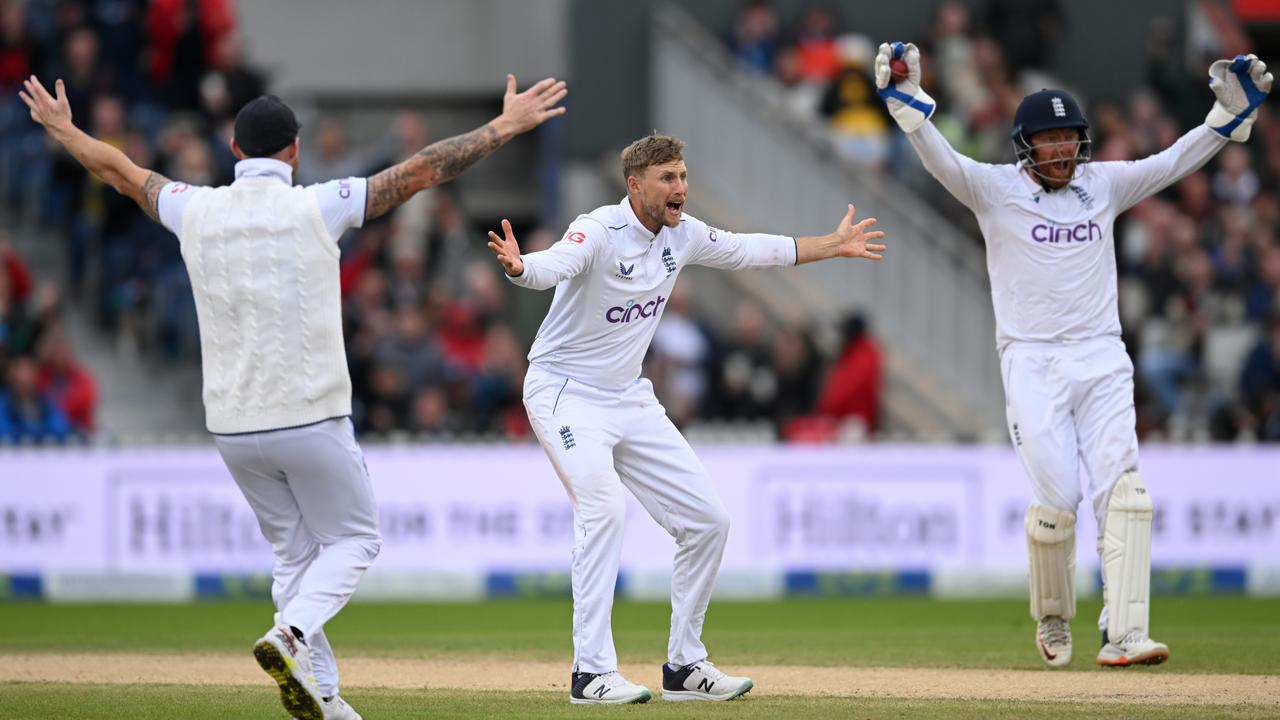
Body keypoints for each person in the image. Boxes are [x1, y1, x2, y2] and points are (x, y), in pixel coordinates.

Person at [20, 73, 566, 719]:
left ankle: (325, 699)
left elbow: (119, 170)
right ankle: (291, 633)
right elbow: (420, 171)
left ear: (232, 148)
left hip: (230, 423)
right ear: (295, 151)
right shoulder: (318, 203)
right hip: (309, 413)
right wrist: (503, 126)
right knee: (355, 541)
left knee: (293, 554)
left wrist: (61, 127)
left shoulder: (195, 207)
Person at [875, 41, 1271, 668]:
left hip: (1102, 356)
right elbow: (942, 161)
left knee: (1126, 493)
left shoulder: (1102, 185)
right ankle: (1054, 616)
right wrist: (907, 107)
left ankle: (1126, 631)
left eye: (1069, 137)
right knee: (1058, 499)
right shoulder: (994, 190)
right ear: (1026, 144)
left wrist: (1224, 121)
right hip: (1031, 361)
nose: (1062, 149)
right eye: (1050, 138)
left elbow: (1171, 162)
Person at [485, 134, 886, 704]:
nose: (680, 188)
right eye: (668, 178)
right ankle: (590, 674)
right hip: (565, 393)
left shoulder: (684, 233)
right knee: (604, 511)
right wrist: (522, 267)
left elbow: (751, 250)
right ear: (636, 185)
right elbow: (556, 263)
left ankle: (684, 666)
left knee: (708, 522)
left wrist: (830, 245)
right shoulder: (599, 228)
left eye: (682, 175)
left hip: (629, 397)